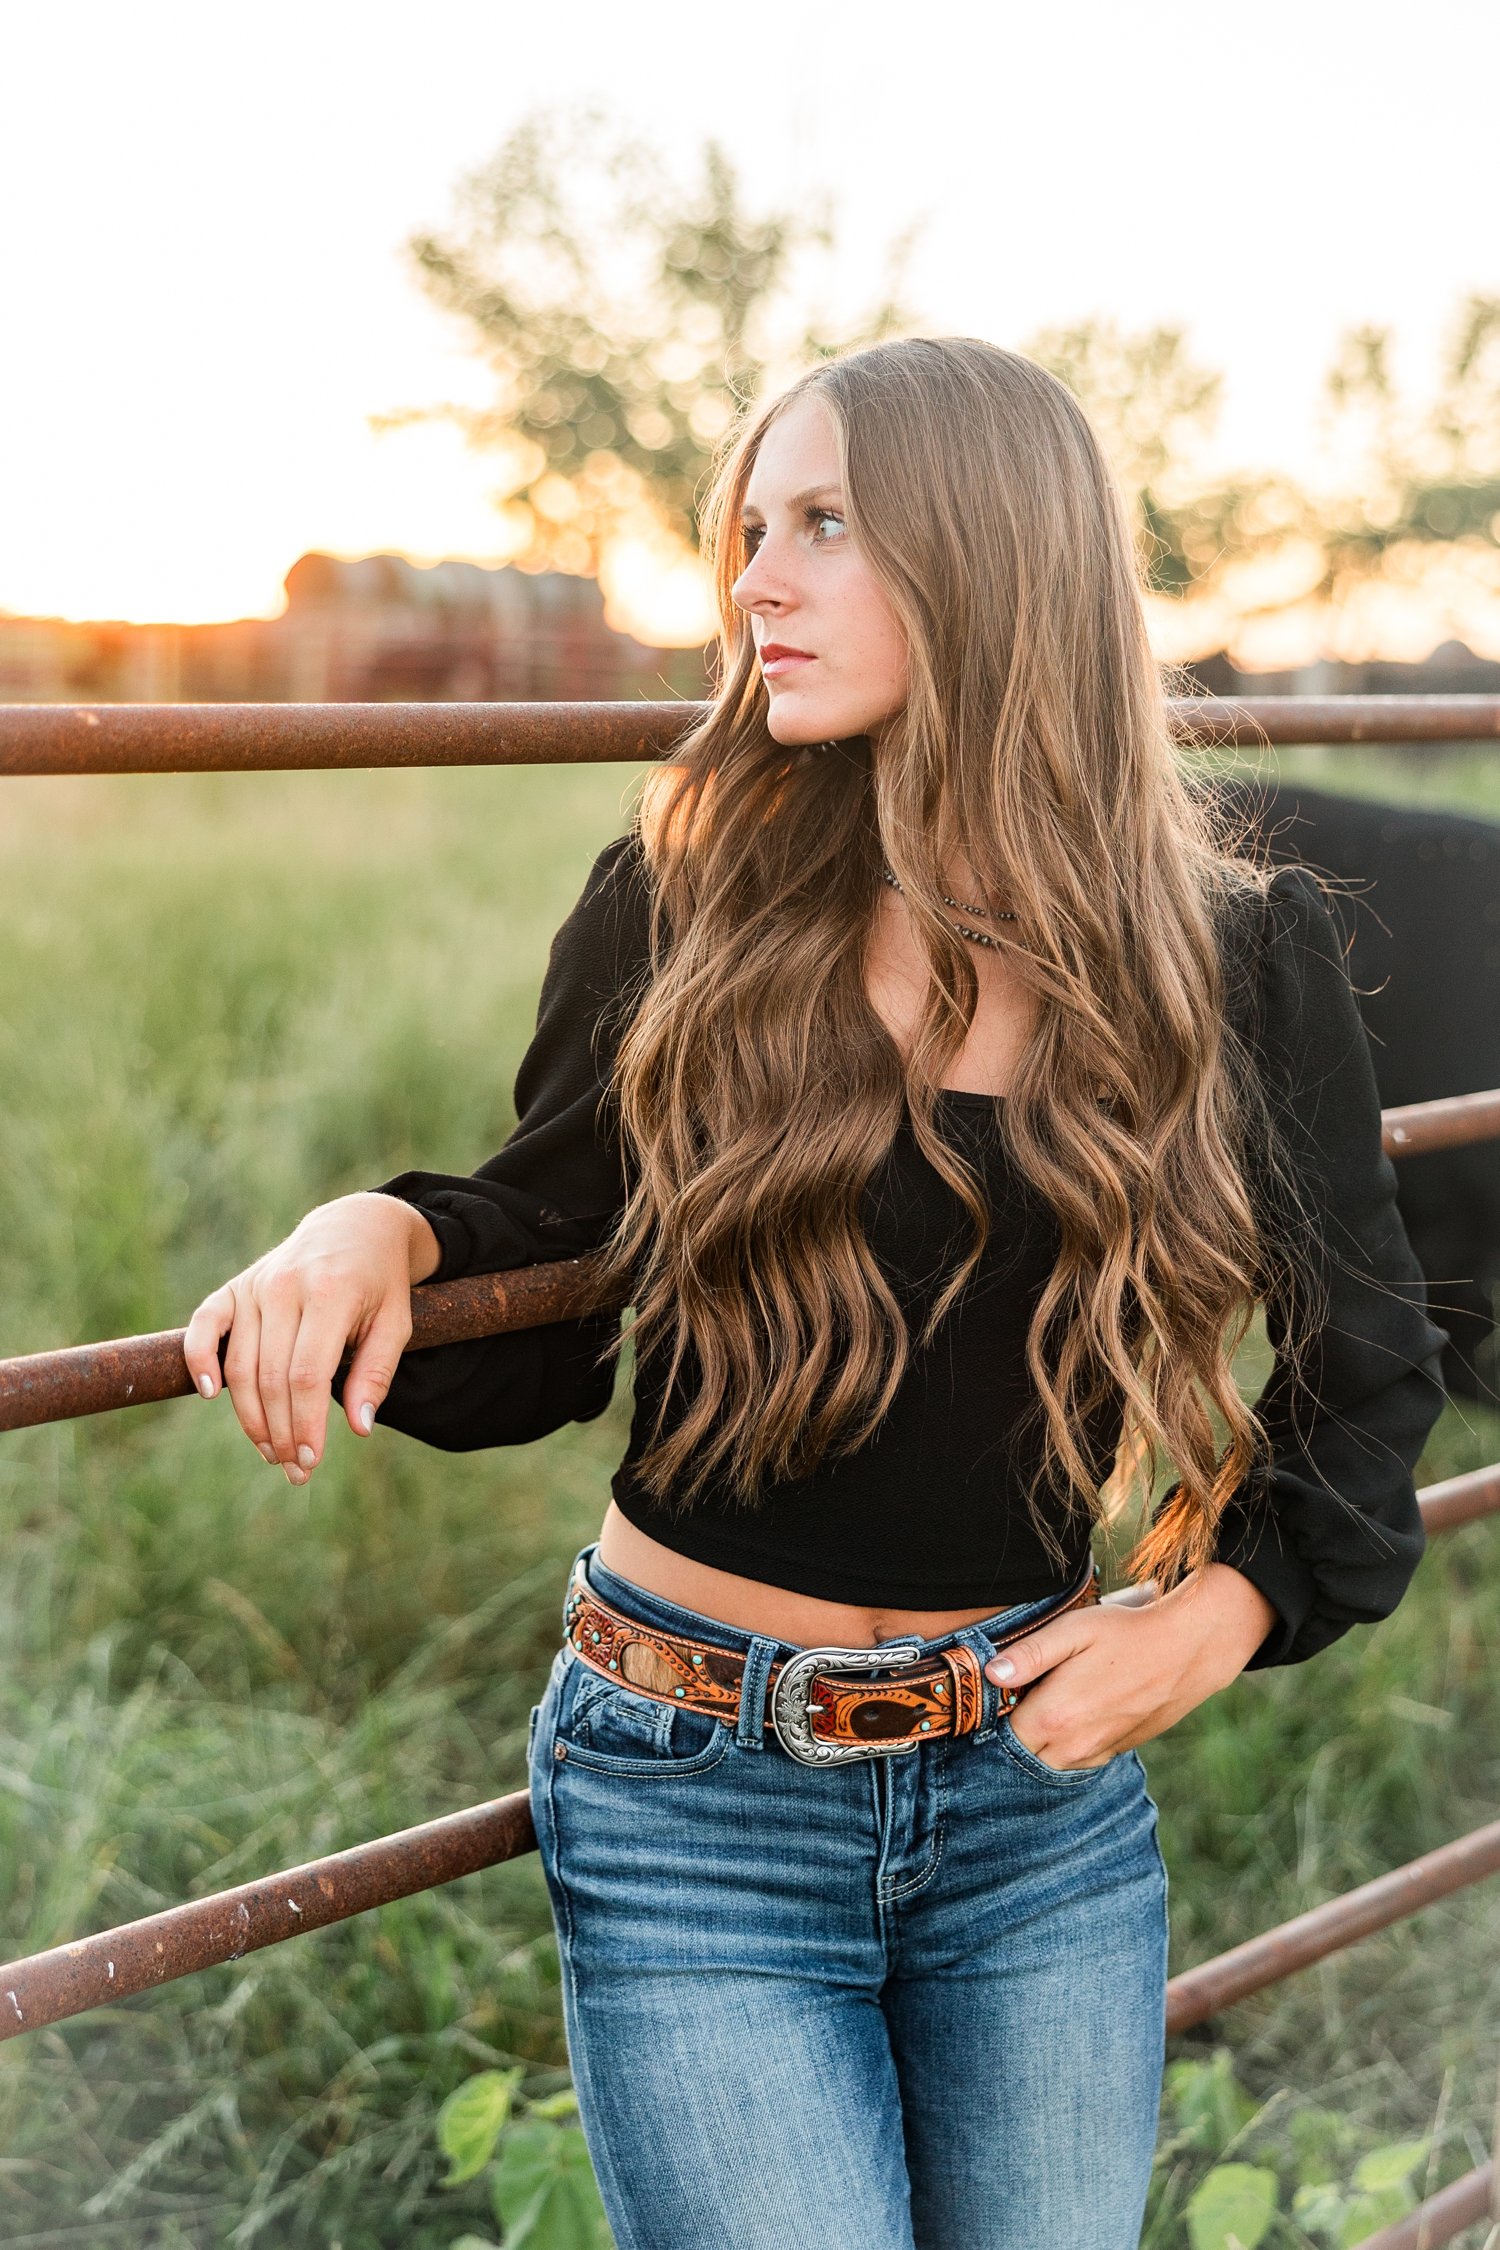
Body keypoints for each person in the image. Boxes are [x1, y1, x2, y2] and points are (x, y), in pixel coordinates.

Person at [185, 338, 1445, 2250]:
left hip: (1032, 1796)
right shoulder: (682, 904)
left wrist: (1226, 1609)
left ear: (997, 561)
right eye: (753, 527)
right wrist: (380, 1232)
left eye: (828, 524)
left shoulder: (1230, 962)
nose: (756, 577)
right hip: (691, 1791)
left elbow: (1370, 1371)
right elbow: (548, 1260)